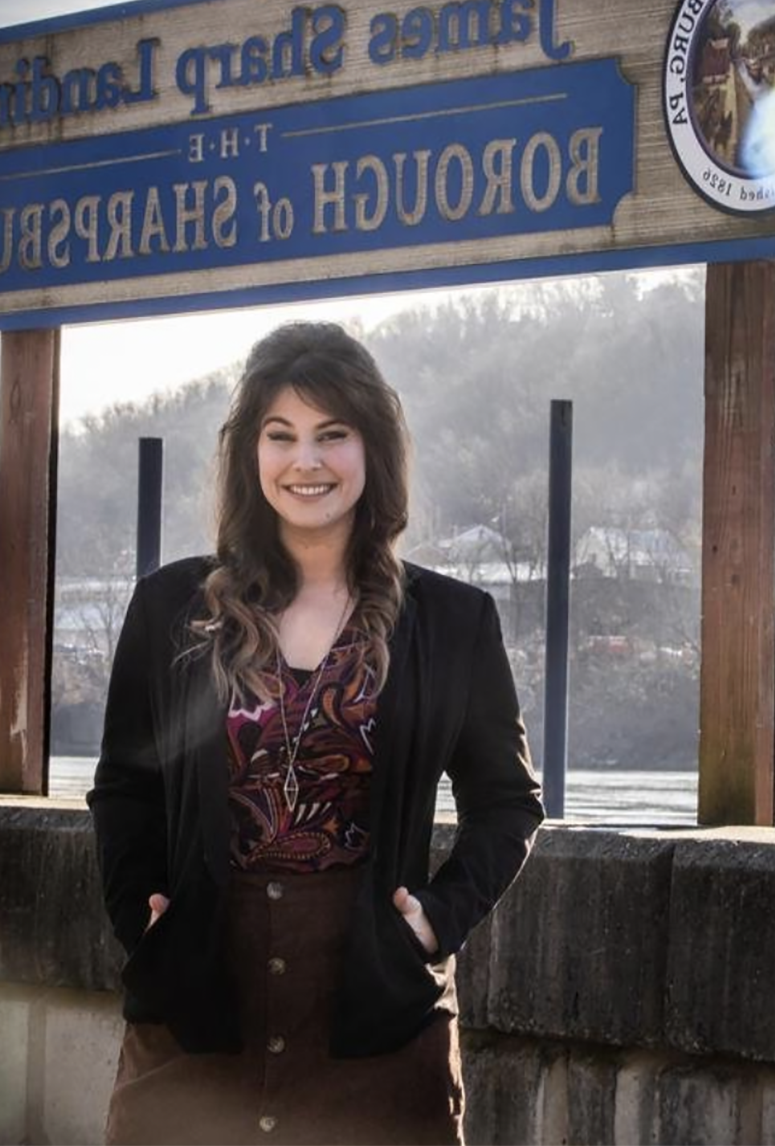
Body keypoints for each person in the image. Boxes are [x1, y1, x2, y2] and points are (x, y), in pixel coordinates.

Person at [88, 321, 544, 1146]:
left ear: (372, 450)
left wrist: (436, 920)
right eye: (281, 435)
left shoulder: (452, 622)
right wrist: (141, 916)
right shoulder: (169, 610)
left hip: (375, 1017)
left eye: (333, 435)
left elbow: (508, 804)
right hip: (196, 1008)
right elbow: (125, 786)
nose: (307, 461)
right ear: (248, 455)